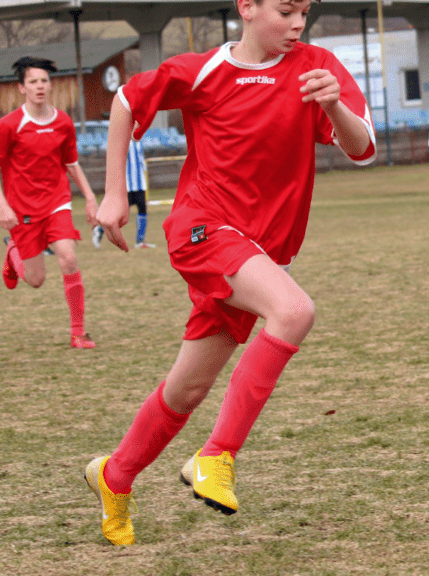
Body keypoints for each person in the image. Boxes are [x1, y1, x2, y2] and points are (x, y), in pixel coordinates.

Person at [83, 0, 376, 546]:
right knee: (293, 311)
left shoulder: (317, 68)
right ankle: (215, 457)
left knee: (188, 388)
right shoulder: (204, 71)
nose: (297, 24)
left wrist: (335, 108)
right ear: (248, 7)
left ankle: (114, 474)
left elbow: (360, 148)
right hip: (203, 229)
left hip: (257, 254)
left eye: (304, 12)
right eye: (286, 10)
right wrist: (115, 192)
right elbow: (125, 101)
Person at [0, 56, 99, 349]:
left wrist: (91, 198)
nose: (40, 86)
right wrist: (3, 207)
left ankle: (78, 332)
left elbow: (71, 163)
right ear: (21, 88)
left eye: (44, 80)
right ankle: (12, 251)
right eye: (33, 81)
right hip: (22, 208)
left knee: (68, 257)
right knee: (35, 280)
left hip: (57, 201)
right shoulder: (9, 125)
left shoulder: (63, 122)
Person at [93, 138, 156, 249]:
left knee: (142, 209)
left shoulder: (139, 140)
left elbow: (141, 159)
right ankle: (100, 229)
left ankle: (140, 241)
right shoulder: (122, 139)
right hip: (127, 184)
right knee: (120, 213)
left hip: (140, 183)